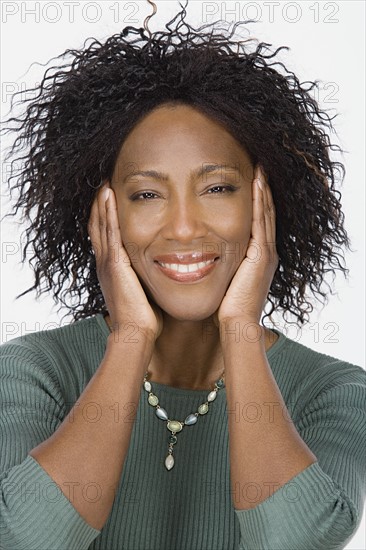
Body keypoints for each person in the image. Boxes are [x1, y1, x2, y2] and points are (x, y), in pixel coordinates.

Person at [0, 1, 365, 549]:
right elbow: (24, 539)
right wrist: (129, 338)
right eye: (146, 195)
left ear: (266, 200)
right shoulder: (34, 372)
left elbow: (296, 541)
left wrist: (241, 326)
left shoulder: (335, 392)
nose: (184, 227)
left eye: (218, 188)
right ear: (104, 211)